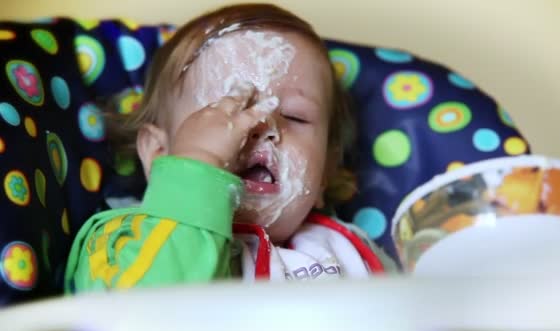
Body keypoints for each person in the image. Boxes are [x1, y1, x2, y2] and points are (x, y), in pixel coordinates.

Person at [65, 3, 395, 291]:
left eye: (295, 116)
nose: (262, 126)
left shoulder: (352, 250)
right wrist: (200, 165)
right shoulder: (122, 239)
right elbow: (145, 316)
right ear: (159, 154)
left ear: (326, 170)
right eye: (227, 108)